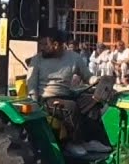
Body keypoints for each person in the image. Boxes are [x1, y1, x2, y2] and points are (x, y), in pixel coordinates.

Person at [26, 27, 106, 157]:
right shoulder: (36, 60)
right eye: (41, 44)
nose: (41, 47)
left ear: (56, 45)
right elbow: (31, 84)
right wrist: (35, 105)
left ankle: (91, 140)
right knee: (71, 107)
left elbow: (87, 76)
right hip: (47, 99)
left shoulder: (73, 58)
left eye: (44, 44)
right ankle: (72, 142)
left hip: (67, 95)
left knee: (94, 100)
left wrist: (96, 80)